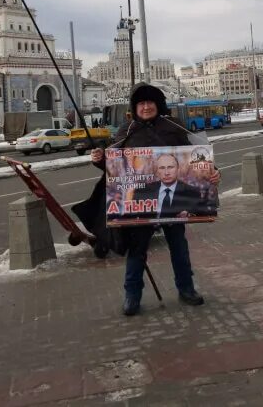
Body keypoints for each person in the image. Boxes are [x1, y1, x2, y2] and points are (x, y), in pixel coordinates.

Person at [90, 83, 220, 316]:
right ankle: (132, 295)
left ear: (158, 104)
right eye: (141, 103)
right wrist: (100, 159)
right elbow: (114, 165)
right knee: (137, 249)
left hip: (175, 201)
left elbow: (197, 155)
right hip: (141, 202)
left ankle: (186, 288)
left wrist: (212, 170)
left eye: (150, 102)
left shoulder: (173, 126)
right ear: (135, 107)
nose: (146, 106)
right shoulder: (126, 130)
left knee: (178, 246)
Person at [133, 153, 202, 218]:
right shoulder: (143, 190)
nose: (166, 172)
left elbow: (203, 213)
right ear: (157, 171)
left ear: (178, 169)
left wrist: (189, 214)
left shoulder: (192, 192)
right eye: (162, 168)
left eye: (170, 167)